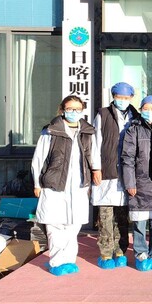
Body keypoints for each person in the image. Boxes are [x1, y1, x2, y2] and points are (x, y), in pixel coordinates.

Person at [31, 95, 99, 276]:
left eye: (77, 109)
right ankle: (56, 261)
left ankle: (69, 260)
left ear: (82, 110)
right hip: (54, 183)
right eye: (69, 109)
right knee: (55, 224)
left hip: (78, 184)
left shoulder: (87, 131)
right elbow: (38, 159)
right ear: (62, 110)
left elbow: (93, 154)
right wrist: (37, 183)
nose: (73, 112)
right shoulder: (51, 131)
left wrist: (95, 172)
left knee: (73, 224)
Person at [91, 82, 139, 270]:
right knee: (105, 216)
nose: (122, 100)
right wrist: (96, 168)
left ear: (131, 98)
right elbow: (96, 142)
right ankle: (105, 254)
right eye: (119, 97)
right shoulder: (103, 115)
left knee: (122, 217)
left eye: (126, 97)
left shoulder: (136, 116)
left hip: (127, 173)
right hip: (107, 171)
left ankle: (120, 251)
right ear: (113, 96)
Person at [122, 95, 152, 272]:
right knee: (139, 223)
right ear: (140, 110)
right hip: (139, 183)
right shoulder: (133, 129)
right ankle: (141, 254)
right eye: (145, 109)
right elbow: (127, 158)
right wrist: (130, 182)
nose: (149, 112)